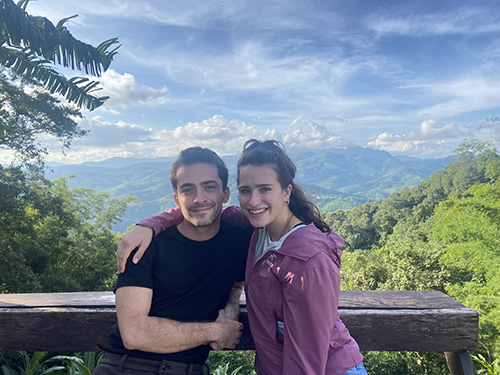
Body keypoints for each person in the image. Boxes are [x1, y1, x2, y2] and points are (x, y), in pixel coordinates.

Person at [117, 140, 367, 375]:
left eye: (265, 189)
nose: (254, 201)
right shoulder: (255, 226)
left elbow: (307, 357)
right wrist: (148, 225)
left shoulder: (308, 261)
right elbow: (200, 209)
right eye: (246, 190)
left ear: (286, 191)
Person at [93, 147, 253, 375]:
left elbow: (237, 282)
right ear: (177, 199)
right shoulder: (145, 246)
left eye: (209, 187)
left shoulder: (242, 241)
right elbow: (134, 333)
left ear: (225, 194)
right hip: (127, 367)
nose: (200, 199)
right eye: (188, 190)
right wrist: (215, 332)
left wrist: (232, 303)